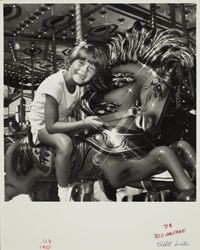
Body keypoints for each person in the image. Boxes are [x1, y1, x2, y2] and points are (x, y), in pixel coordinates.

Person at [29, 41, 107, 201]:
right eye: (81, 62)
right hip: (42, 126)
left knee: (94, 136)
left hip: (63, 121)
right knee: (65, 144)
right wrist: (84, 123)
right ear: (70, 62)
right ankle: (63, 191)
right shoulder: (54, 84)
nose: (84, 70)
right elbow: (51, 126)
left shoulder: (77, 87)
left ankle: (91, 179)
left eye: (91, 68)